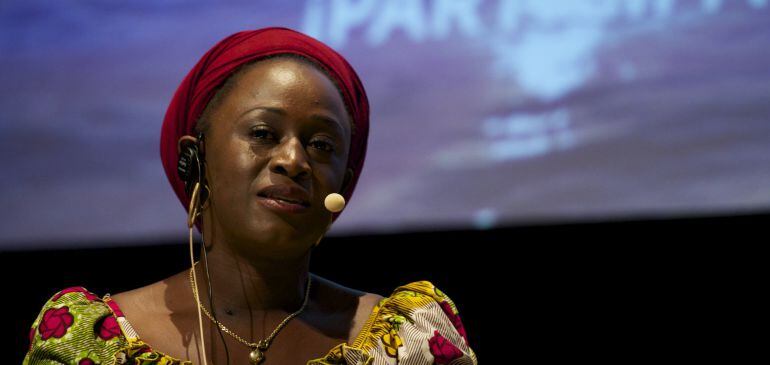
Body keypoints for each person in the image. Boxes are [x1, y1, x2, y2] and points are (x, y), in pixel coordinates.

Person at [23, 27, 477, 365]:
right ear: (194, 159)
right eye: (263, 133)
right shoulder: (95, 344)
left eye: (321, 145)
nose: (294, 160)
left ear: (343, 183)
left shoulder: (407, 342)